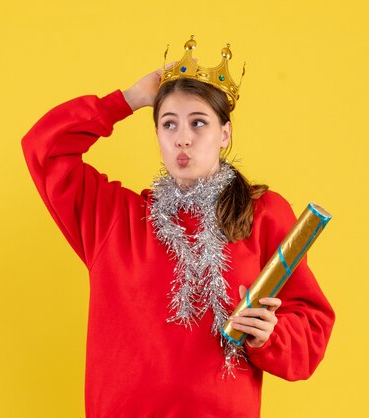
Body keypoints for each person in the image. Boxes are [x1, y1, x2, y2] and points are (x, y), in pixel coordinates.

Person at [21, 38, 335, 418]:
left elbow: (311, 330)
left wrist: (271, 335)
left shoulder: (262, 214)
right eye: (169, 124)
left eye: (198, 122)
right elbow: (44, 147)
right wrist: (128, 99)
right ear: (157, 137)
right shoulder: (114, 217)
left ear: (224, 134)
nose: (182, 137)